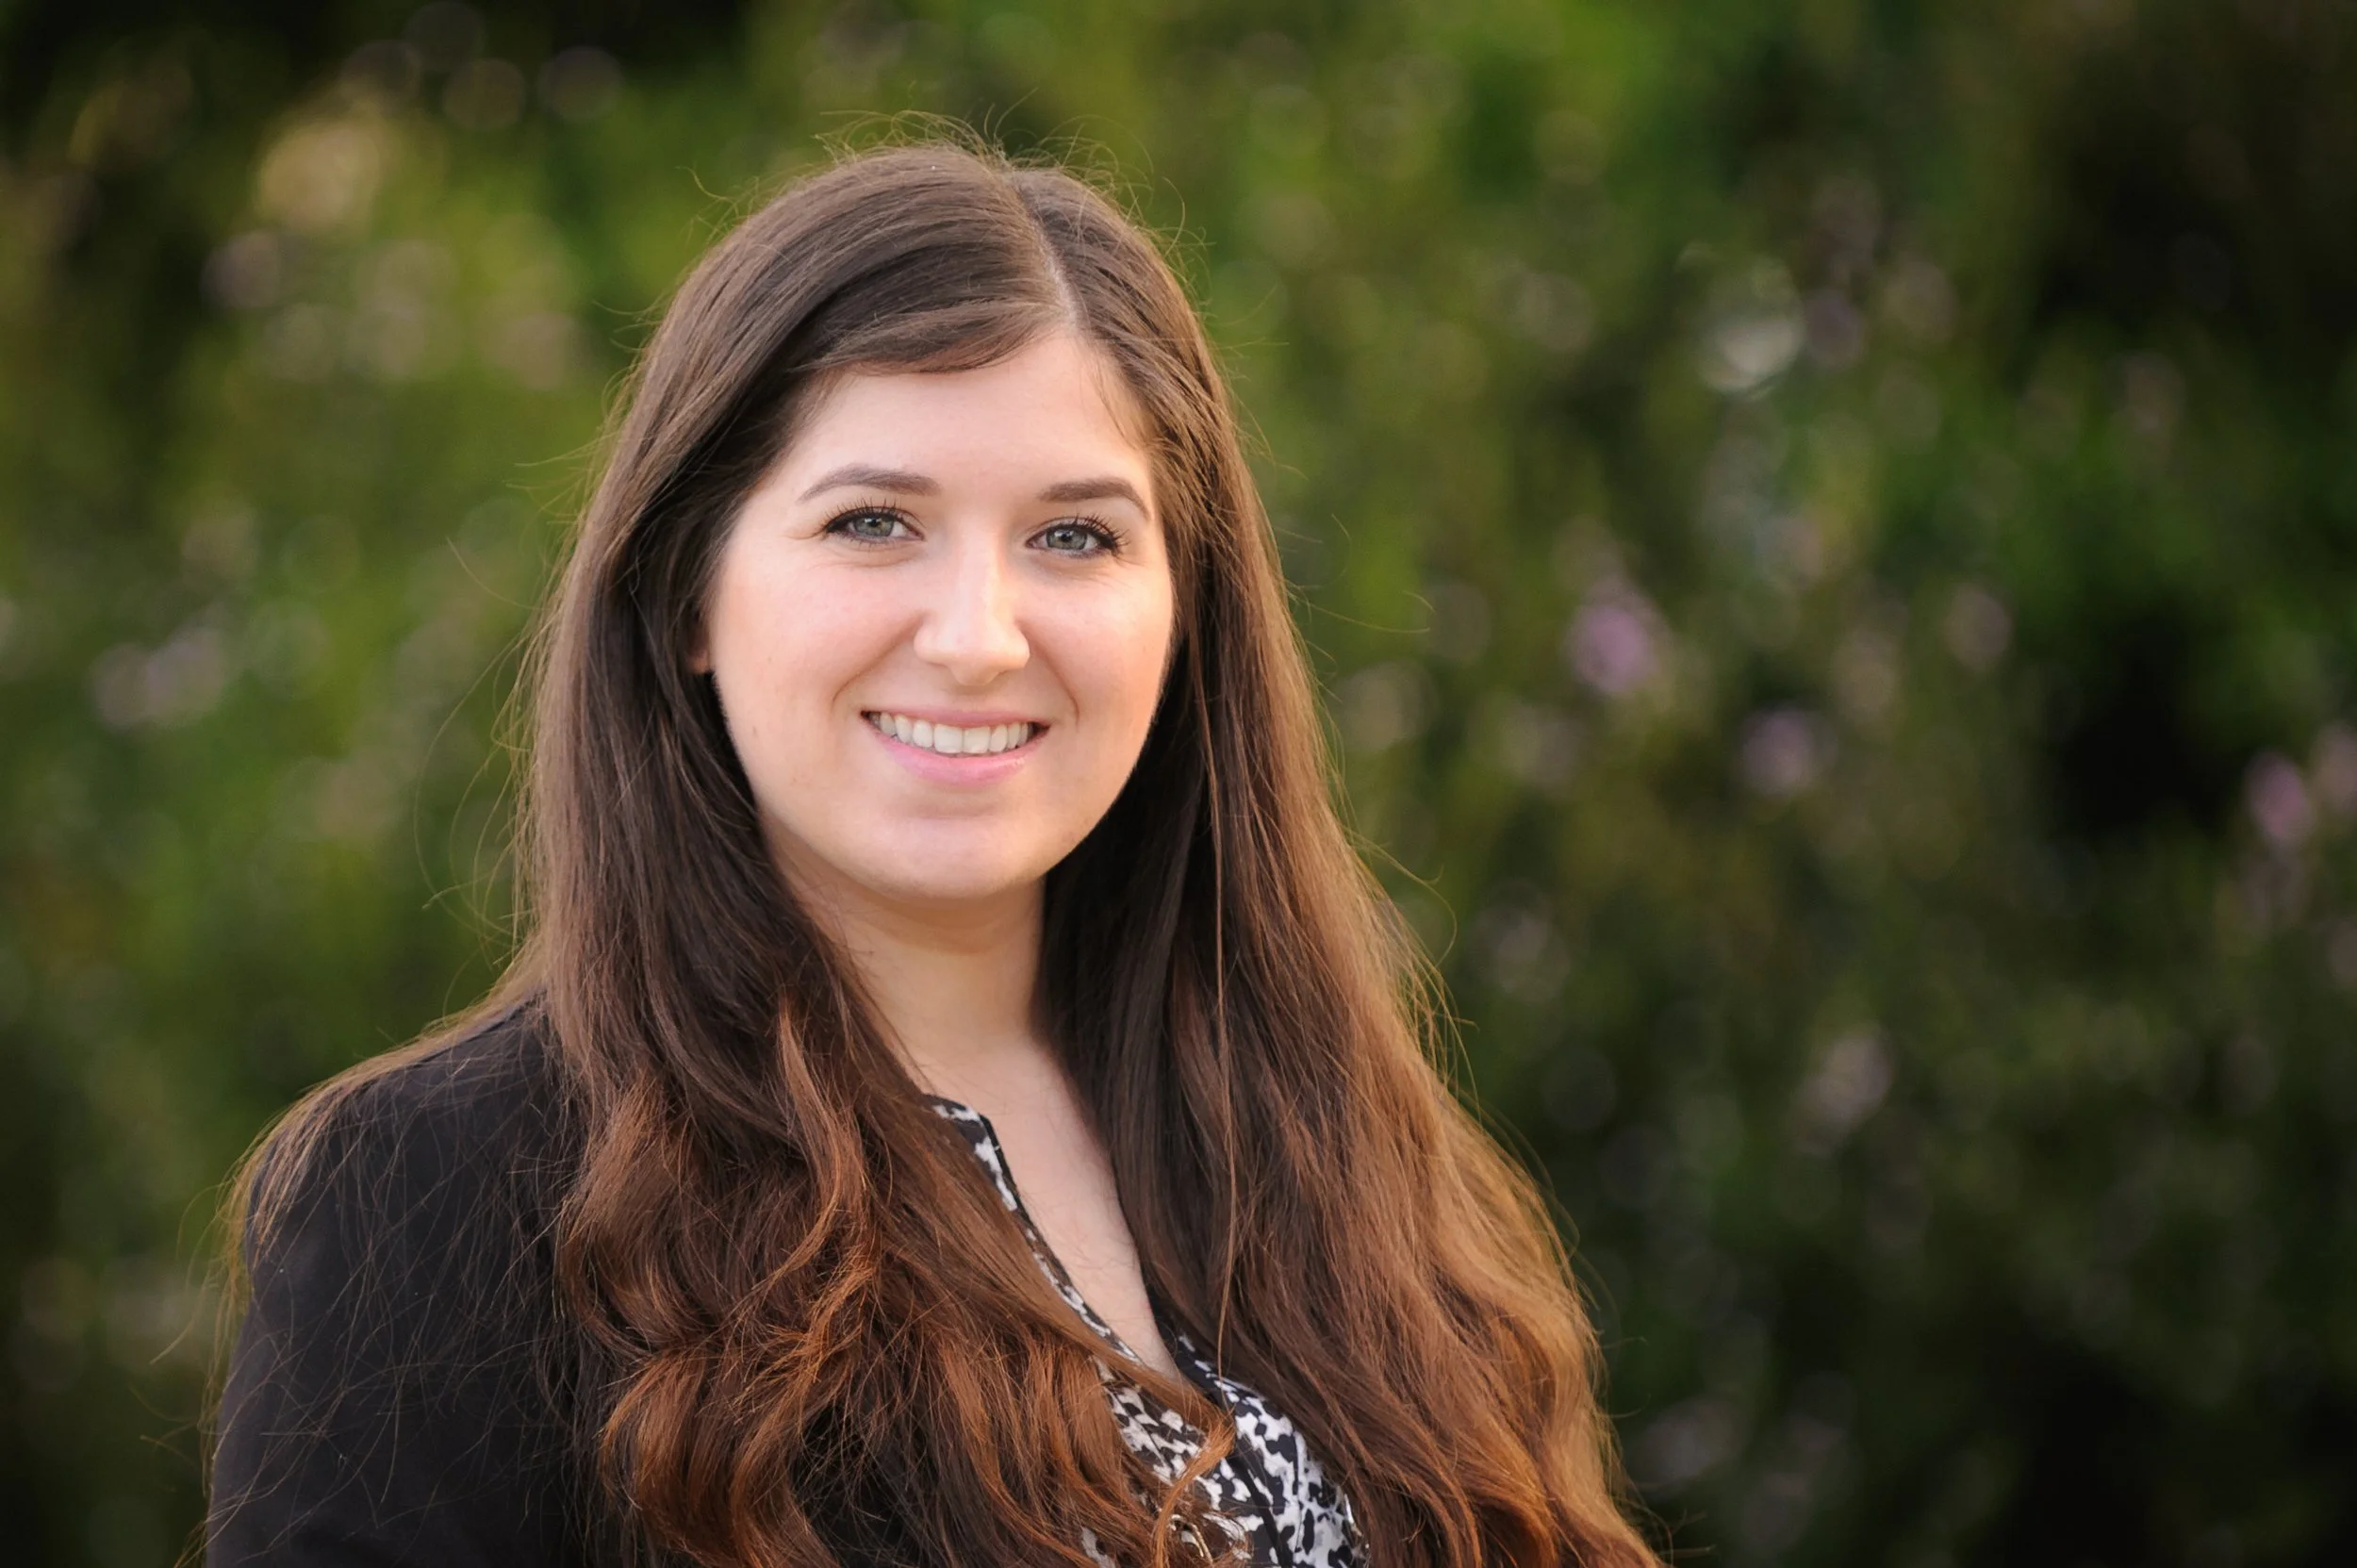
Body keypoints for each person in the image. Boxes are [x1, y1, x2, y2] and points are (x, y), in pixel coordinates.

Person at [206, 139, 1661, 1568]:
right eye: (875, 521)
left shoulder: (1338, 1148)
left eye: (1076, 538)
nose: (977, 637)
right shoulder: (446, 1199)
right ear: (688, 597)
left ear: (1184, 609)